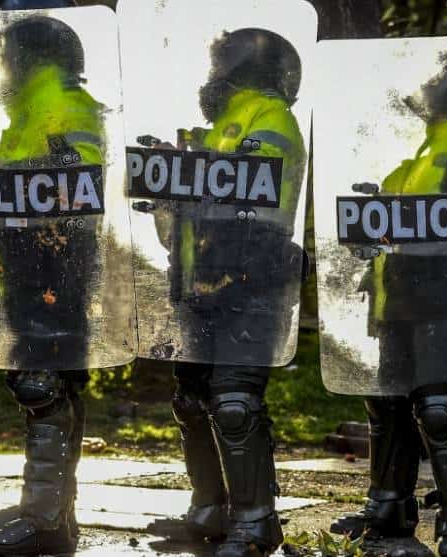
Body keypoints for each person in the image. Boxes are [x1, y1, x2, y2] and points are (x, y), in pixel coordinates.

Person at [330, 61, 447, 557]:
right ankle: (388, 505)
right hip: (397, 297)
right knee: (387, 402)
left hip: (445, 299)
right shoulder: (425, 150)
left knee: (438, 406)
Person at [162, 28, 307, 557]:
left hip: (252, 278)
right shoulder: (220, 127)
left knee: (234, 402)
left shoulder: (269, 119)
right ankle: (211, 505)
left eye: (219, 61)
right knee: (192, 399)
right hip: (201, 280)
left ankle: (255, 519)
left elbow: (252, 194)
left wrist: (186, 174)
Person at [0, 3, 98, 555]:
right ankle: (51, 509)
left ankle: (45, 518)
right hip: (39, 271)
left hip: (54, 272)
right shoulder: (30, 113)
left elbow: (77, 183)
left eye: (9, 56)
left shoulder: (59, 107)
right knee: (52, 385)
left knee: (42, 385)